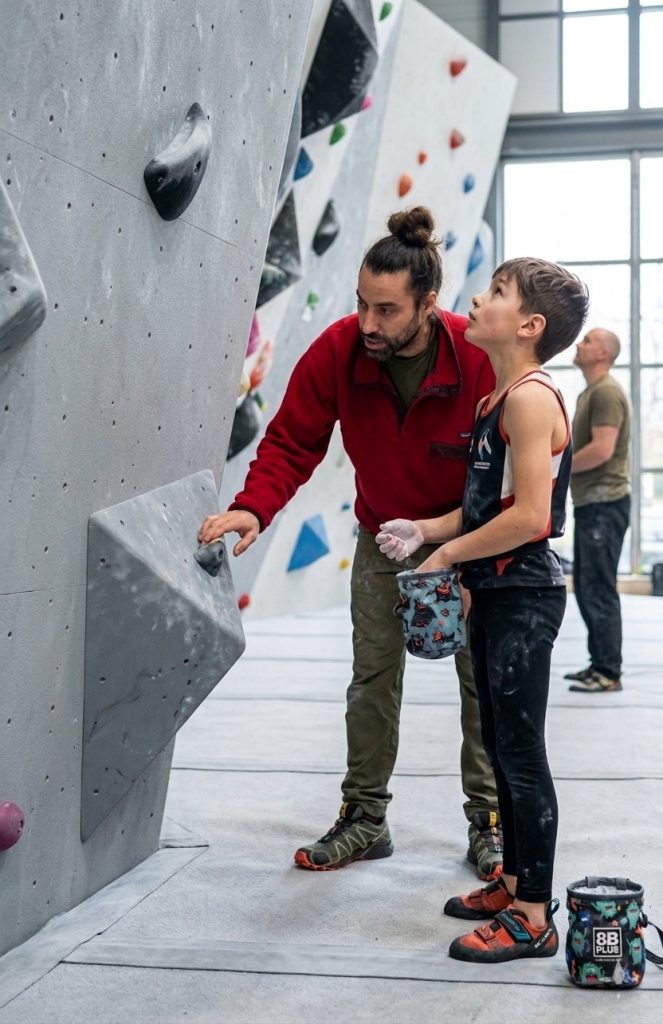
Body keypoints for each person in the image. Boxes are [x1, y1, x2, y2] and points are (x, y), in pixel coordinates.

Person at [199, 207, 504, 879]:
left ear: (427, 304)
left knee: (480, 681)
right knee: (371, 680)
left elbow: (509, 473)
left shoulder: (476, 357)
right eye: (362, 304)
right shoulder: (340, 350)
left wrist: (456, 544)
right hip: (382, 538)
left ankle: (489, 822)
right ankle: (365, 818)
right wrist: (254, 509)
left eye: (387, 310)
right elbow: (289, 441)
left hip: (467, 537)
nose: (368, 323)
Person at [378, 257, 589, 964]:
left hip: (523, 592)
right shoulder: (493, 401)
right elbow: (484, 505)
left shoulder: (531, 399)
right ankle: (511, 879)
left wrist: (446, 557)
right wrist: (425, 530)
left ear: (528, 325)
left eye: (495, 292)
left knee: (520, 752)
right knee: (499, 746)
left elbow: (530, 517)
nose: (476, 297)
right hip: (495, 590)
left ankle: (533, 915)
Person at [564, 328, 631, 693]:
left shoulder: (605, 392)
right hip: (593, 504)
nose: (580, 344)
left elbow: (601, 450)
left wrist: (554, 468)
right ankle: (599, 664)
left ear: (603, 353)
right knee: (589, 587)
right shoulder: (590, 392)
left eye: (588, 341)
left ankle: (608, 672)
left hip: (606, 504)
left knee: (598, 589)